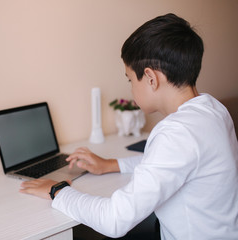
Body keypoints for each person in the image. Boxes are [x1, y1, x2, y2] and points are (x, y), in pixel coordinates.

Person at [20, 13, 238, 239]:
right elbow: (172, 163)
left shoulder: (177, 133)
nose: (131, 88)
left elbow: (114, 219)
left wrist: (57, 191)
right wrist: (110, 165)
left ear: (151, 78)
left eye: (130, 79)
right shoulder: (213, 109)